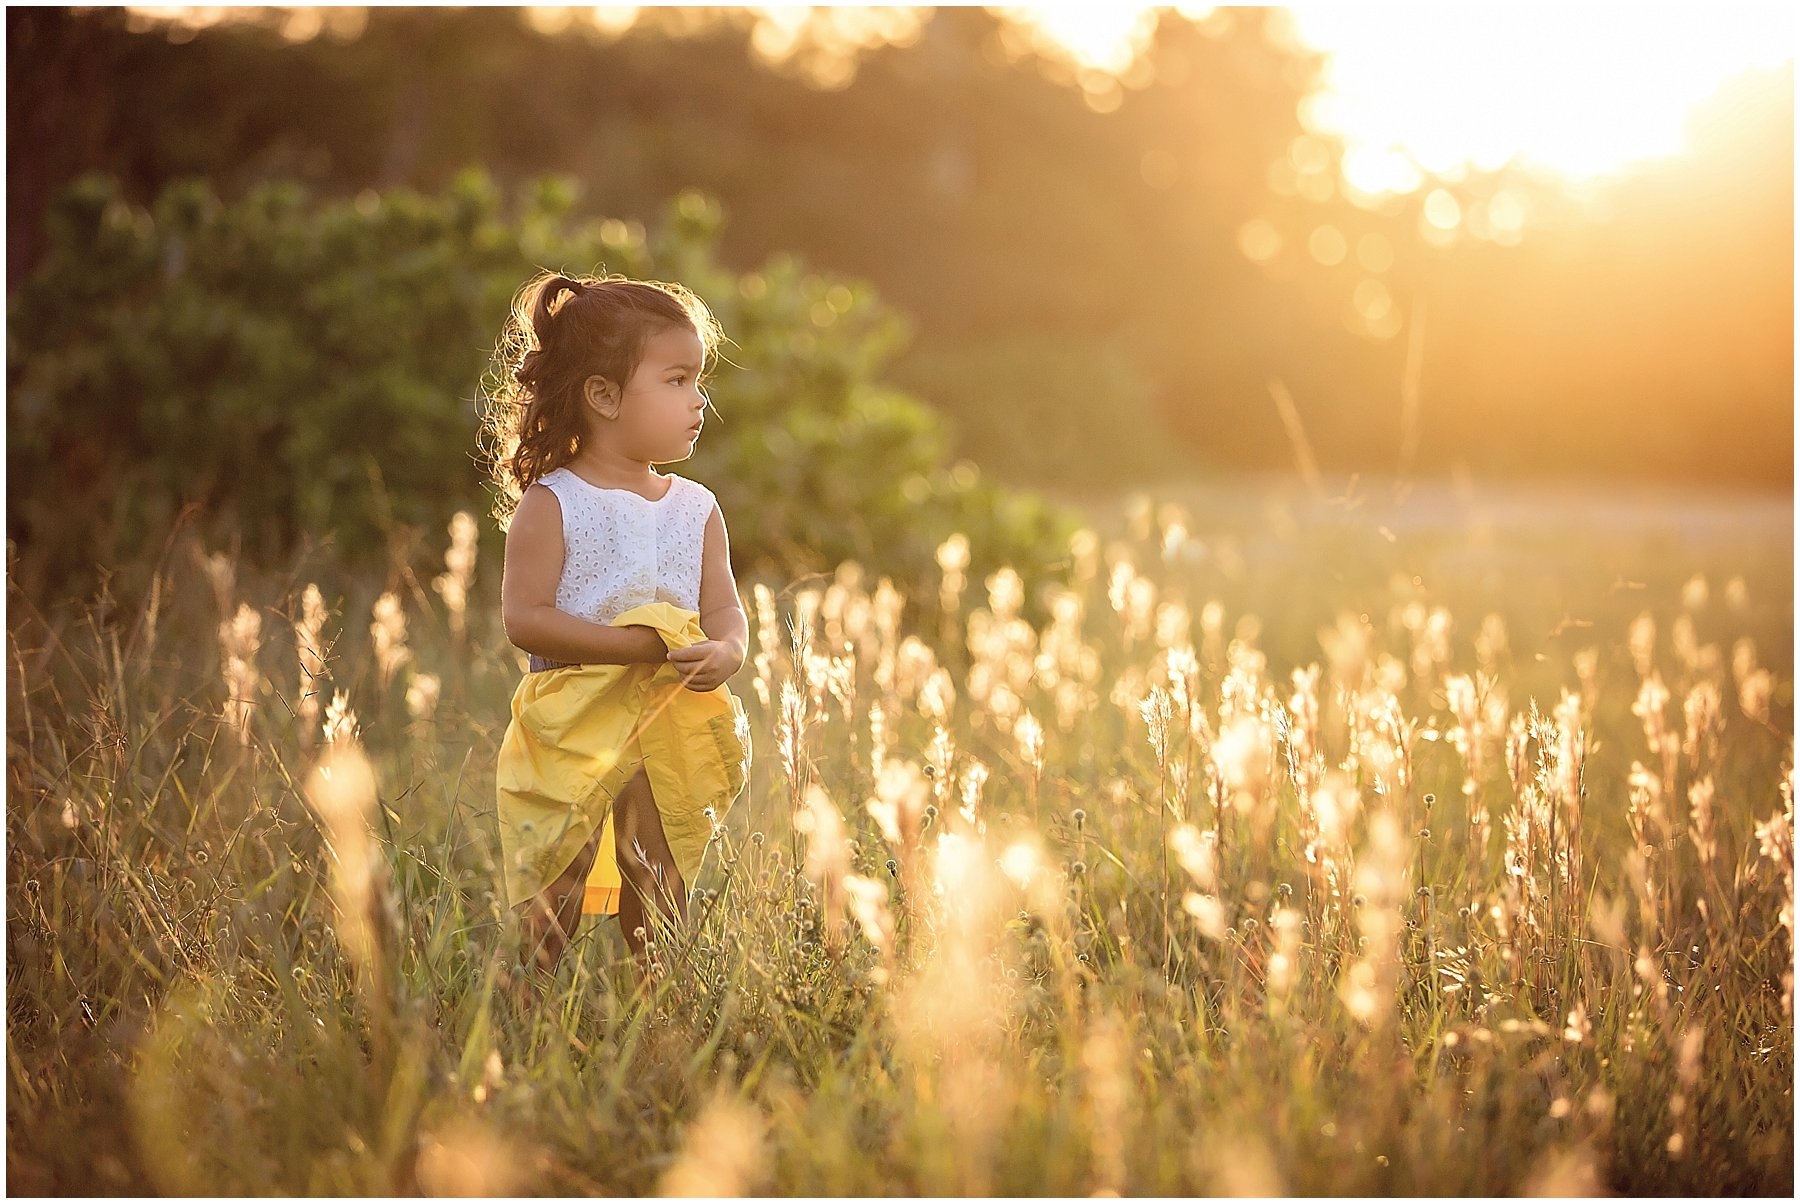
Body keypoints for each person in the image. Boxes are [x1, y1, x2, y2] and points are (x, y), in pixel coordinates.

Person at [479, 270, 752, 992]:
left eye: (699, 380)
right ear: (602, 395)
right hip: (575, 719)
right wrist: (639, 645)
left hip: (669, 717)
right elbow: (526, 618)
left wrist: (725, 650)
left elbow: (724, 607)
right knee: (559, 878)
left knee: (659, 877)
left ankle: (657, 1007)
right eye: (676, 380)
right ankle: (528, 1000)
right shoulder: (555, 502)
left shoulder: (695, 507)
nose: (699, 401)